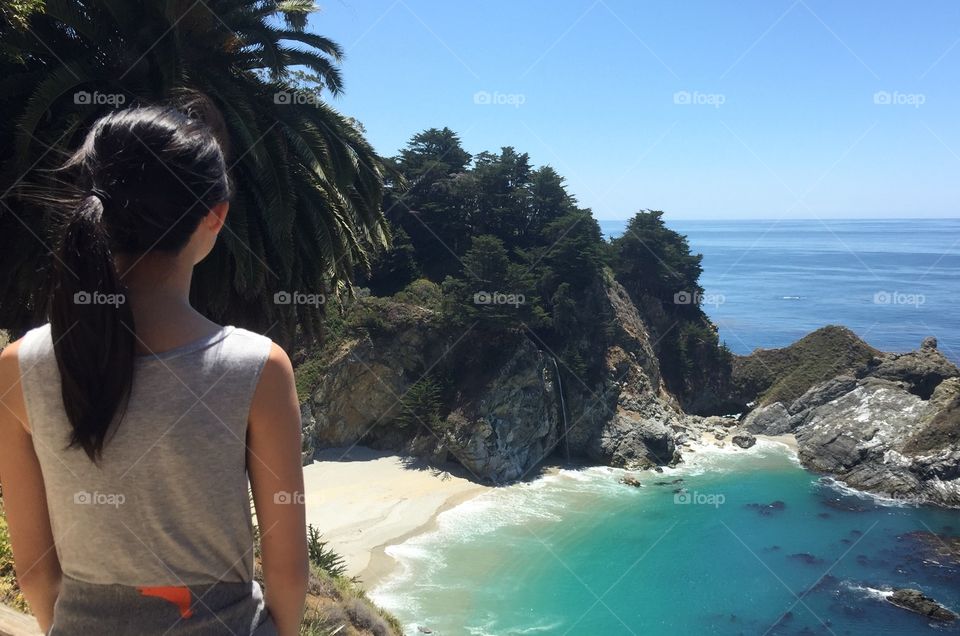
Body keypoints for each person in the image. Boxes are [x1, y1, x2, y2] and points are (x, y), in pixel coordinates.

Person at [0, 106, 308, 635]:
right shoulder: (258, 367)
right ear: (215, 216)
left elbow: (34, 571)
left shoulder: (18, 368)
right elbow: (288, 573)